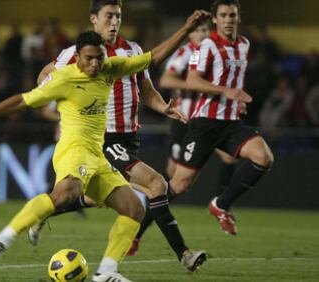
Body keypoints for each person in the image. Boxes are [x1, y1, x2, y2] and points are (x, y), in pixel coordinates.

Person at [0, 11, 208, 280]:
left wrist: (186, 29)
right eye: (88, 58)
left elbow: (153, 58)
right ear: (77, 57)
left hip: (98, 154)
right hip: (73, 149)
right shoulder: (65, 78)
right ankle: (0, 240)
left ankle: (106, 272)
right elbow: (23, 100)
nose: (94, 64)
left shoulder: (111, 68)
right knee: (67, 192)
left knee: (134, 209)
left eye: (98, 58)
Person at [30, 0, 207, 271]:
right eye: (109, 16)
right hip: (105, 139)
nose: (114, 22)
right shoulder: (75, 54)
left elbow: (145, 88)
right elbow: (44, 75)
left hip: (128, 139)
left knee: (94, 198)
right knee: (157, 185)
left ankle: (44, 211)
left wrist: (163, 107)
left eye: (118, 17)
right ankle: (184, 253)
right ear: (94, 19)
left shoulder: (132, 49)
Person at [130, 19, 240, 255]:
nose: (202, 34)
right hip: (184, 123)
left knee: (229, 160)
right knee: (172, 184)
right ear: (190, 35)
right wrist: (196, 85)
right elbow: (166, 80)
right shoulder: (186, 53)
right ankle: (139, 232)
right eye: (198, 30)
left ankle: (222, 206)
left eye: (204, 30)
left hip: (209, 123)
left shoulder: (213, 53)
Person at [168, 0, 273, 236]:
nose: (228, 20)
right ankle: (138, 228)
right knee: (179, 185)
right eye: (223, 15)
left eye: (232, 15)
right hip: (205, 123)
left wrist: (237, 102)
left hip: (230, 122)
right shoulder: (207, 45)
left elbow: (233, 81)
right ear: (215, 19)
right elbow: (193, 81)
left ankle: (221, 204)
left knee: (263, 157)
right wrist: (229, 92)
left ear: (238, 18)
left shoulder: (244, 44)